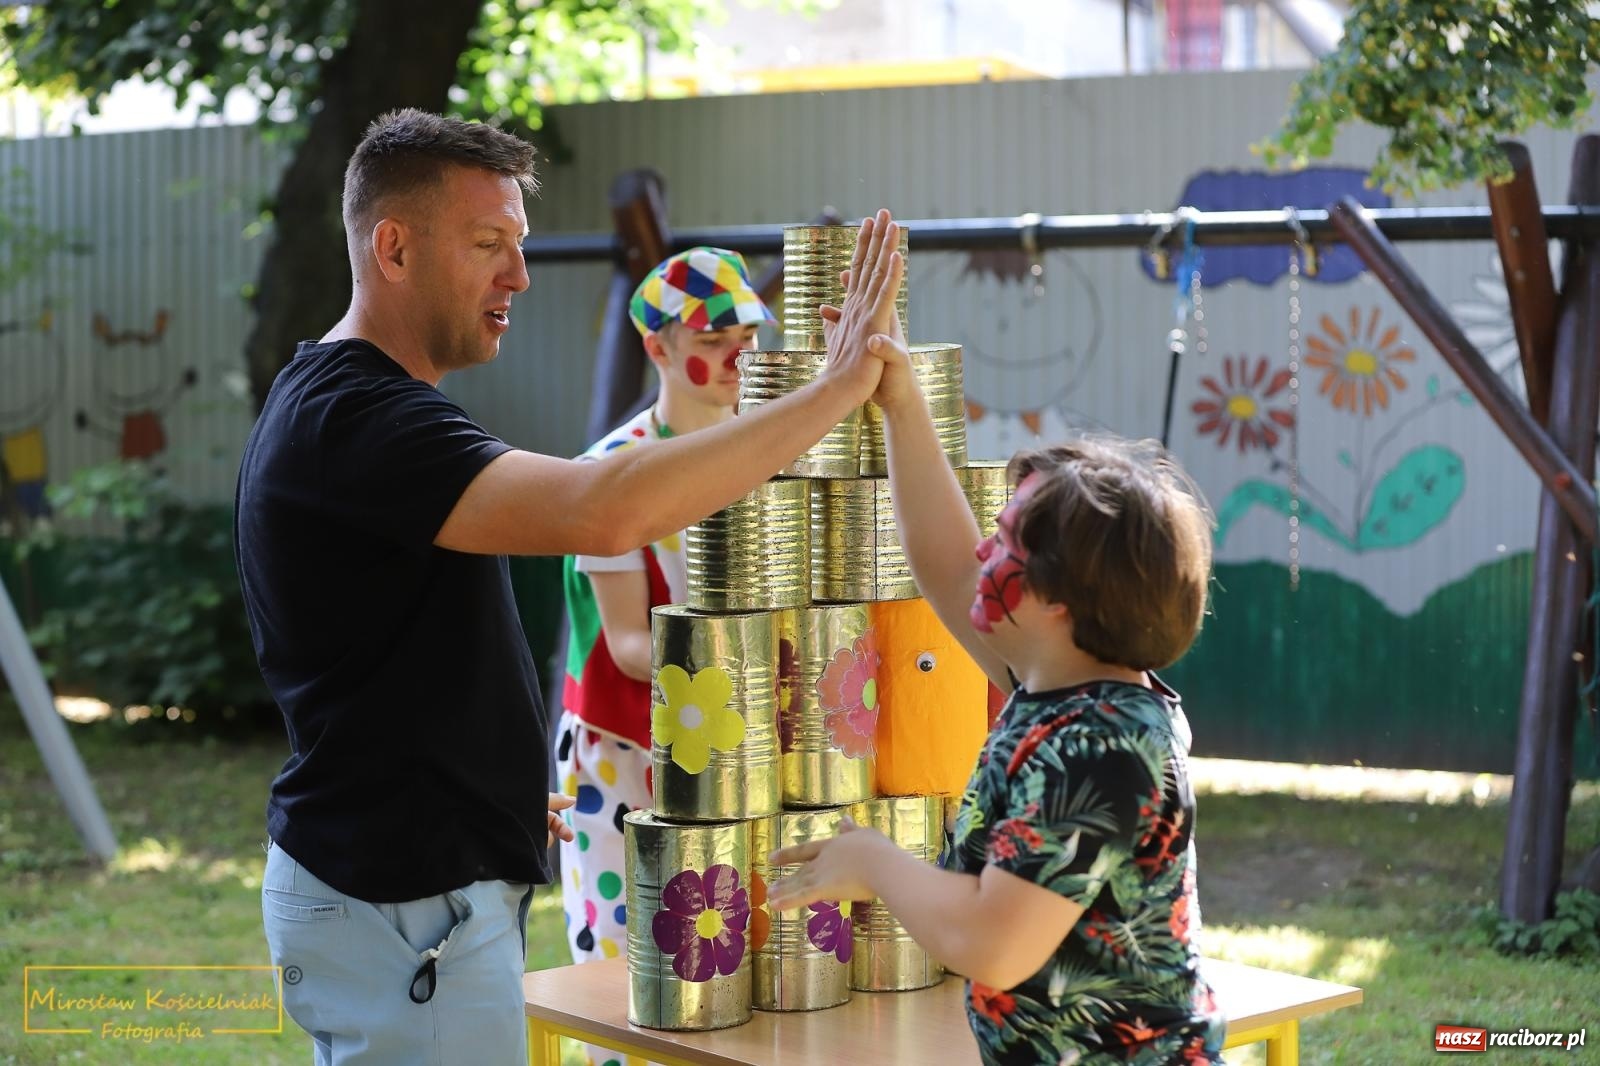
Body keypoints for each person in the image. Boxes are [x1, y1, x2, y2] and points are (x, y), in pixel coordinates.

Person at [235, 106, 905, 1066]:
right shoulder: (359, 419)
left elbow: (385, 660)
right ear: (392, 247)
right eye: (488, 244)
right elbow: (605, 509)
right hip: (401, 904)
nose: (518, 275)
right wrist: (834, 392)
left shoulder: (361, 407)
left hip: (414, 885)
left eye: (519, 244)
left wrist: (490, 785)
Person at [768, 318, 1226, 1063]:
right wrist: (903, 401)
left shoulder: (1103, 747)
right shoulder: (1058, 680)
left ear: (1062, 601)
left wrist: (876, 863)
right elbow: (947, 564)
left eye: (1008, 542)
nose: (986, 548)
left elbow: (994, 943)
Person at [556, 246, 772, 966]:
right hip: (630, 755)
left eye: (746, 340)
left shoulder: (771, 459)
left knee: (737, 959)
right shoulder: (613, 474)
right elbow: (627, 645)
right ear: (657, 347)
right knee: (630, 963)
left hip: (740, 742)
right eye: (714, 342)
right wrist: (755, 664)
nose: (738, 358)